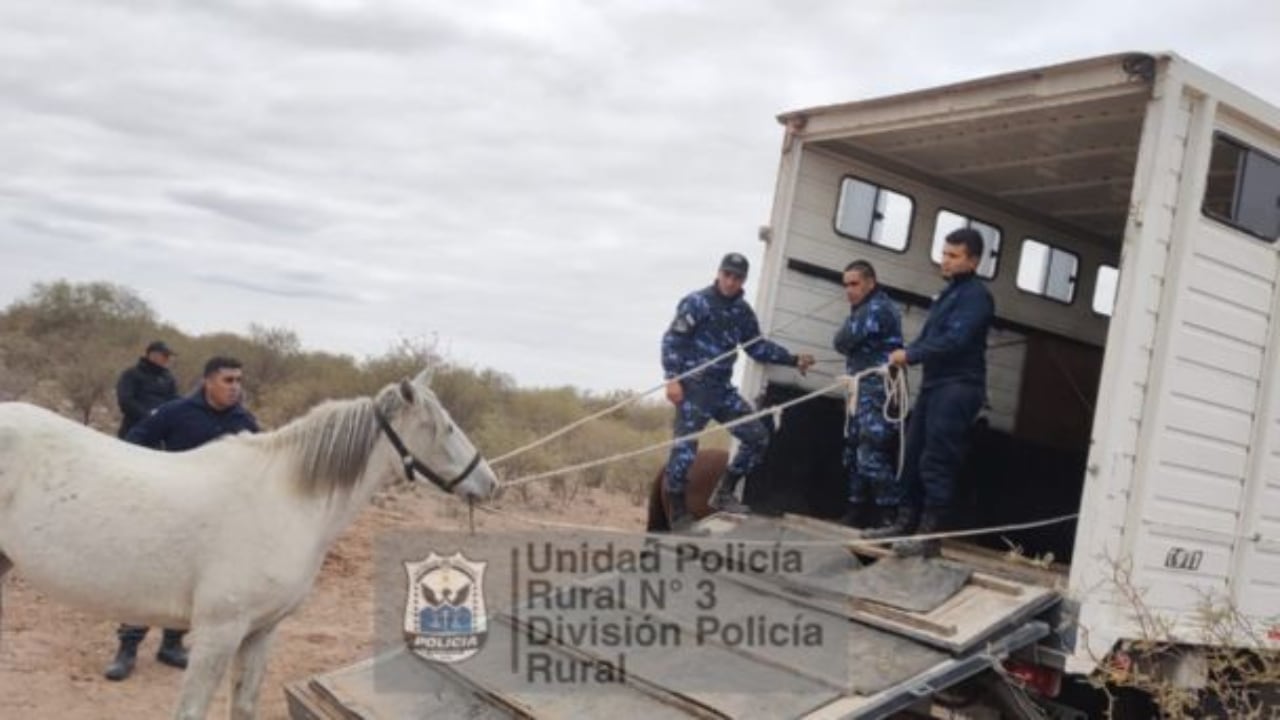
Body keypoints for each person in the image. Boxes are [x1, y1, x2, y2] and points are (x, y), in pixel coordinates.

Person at [103, 356, 260, 682]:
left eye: (239, 381)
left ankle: (171, 645)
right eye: (228, 381)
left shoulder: (244, 422)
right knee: (147, 578)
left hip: (216, 522)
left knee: (188, 586)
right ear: (208, 381)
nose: (235, 388)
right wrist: (156, 476)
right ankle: (127, 649)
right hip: (167, 513)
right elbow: (133, 443)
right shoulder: (176, 411)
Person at [660, 252, 815, 532]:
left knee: (757, 436)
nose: (731, 282)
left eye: (737, 277)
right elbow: (673, 341)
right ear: (719, 273)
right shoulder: (697, 302)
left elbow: (757, 347)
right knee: (684, 450)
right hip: (694, 388)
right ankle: (678, 511)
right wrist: (672, 379)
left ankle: (725, 491)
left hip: (721, 390)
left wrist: (792, 359)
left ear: (743, 280)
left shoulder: (742, 312)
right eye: (727, 275)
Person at [867, 228, 994, 557]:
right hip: (936, 385)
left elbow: (955, 340)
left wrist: (911, 356)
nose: (946, 261)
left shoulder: (976, 297)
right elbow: (928, 338)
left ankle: (929, 533)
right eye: (945, 253)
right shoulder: (946, 296)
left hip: (959, 386)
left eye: (954, 256)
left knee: (937, 457)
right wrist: (907, 353)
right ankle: (905, 520)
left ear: (973, 260)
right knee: (912, 453)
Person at [832, 260, 904, 530]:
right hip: (860, 390)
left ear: (870, 283)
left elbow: (841, 341)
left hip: (877, 391)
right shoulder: (863, 309)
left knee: (870, 453)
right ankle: (855, 508)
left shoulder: (877, 308)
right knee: (853, 450)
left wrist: (850, 322)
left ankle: (890, 514)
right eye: (846, 285)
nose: (849, 290)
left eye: (854, 284)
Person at [115, 340, 179, 438]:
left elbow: (173, 399)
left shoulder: (168, 378)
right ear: (152, 355)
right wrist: (148, 416)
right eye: (164, 355)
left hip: (159, 432)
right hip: (134, 429)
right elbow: (125, 400)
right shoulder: (131, 374)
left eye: (168, 356)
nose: (167, 359)